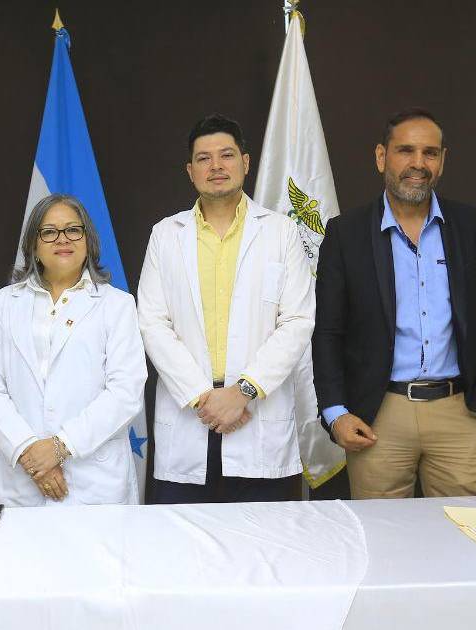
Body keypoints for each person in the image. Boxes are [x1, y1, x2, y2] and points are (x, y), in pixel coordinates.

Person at [313, 107, 476, 499]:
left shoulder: (475, 228)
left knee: (471, 531)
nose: (418, 163)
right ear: (381, 157)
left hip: (462, 412)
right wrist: (335, 412)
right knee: (383, 533)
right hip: (378, 415)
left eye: (430, 153)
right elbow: (329, 332)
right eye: (405, 150)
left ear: (442, 161)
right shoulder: (346, 234)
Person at [138, 114, 315, 503]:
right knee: (185, 537)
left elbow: (298, 321)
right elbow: (152, 323)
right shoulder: (165, 235)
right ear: (190, 171)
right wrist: (203, 397)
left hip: (256, 414)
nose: (216, 166)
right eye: (203, 158)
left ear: (246, 163)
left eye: (226, 155)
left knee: (265, 536)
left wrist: (243, 392)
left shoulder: (281, 231)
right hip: (190, 415)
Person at [0, 194, 146, 505]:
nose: (63, 239)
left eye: (73, 230)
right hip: (22, 479)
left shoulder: (117, 305)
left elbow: (125, 392)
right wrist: (28, 450)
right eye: (49, 232)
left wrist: (60, 447)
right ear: (33, 245)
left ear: (88, 241)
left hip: (94, 481)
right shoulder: (5, 302)